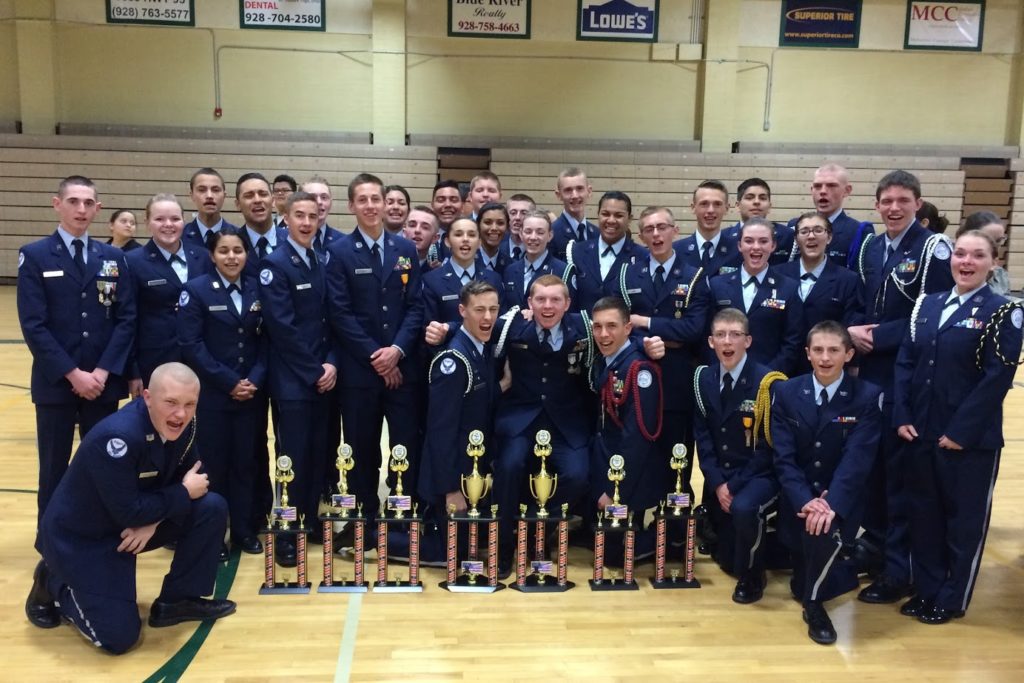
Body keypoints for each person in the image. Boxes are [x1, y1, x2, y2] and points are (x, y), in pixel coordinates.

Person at [26, 363, 236, 654]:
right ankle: (54, 582)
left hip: (133, 523)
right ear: (147, 397)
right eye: (171, 402)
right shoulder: (118, 438)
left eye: (190, 404)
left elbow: (194, 477)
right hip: (84, 540)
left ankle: (177, 600)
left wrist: (154, 519)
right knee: (119, 639)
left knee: (210, 506)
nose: (181, 414)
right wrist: (178, 495)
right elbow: (143, 506)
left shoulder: (186, 425)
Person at [894, 230, 1022, 625]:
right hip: (922, 431)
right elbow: (906, 365)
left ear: (994, 263)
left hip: (969, 441)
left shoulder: (1003, 311)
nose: (966, 262)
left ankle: (952, 598)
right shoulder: (928, 305)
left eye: (978, 256)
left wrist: (960, 432)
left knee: (962, 523)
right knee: (925, 517)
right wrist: (902, 416)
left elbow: (996, 378)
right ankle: (929, 589)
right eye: (961, 253)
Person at [849, 169, 954, 605]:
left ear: (917, 203)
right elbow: (860, 300)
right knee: (871, 471)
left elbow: (934, 313)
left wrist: (880, 336)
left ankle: (899, 572)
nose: (893, 208)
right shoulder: (872, 247)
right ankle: (875, 551)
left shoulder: (932, 249)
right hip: (869, 375)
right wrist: (852, 331)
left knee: (898, 477)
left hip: (906, 377)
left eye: (902, 201)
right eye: (886, 201)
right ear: (876, 205)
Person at [17, 175, 136, 529]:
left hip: (102, 384)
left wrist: (101, 373)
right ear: (58, 204)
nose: (81, 210)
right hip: (57, 384)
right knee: (53, 466)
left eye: (88, 203)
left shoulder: (112, 257)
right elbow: (34, 325)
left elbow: (126, 319)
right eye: (74, 201)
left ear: (98, 209)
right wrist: (73, 374)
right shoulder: (35, 255)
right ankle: (51, 540)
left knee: (104, 462)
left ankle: (98, 532)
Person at [771, 321, 882, 644]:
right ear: (807, 353)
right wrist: (806, 499)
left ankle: (815, 606)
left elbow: (857, 462)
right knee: (800, 572)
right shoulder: (787, 392)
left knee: (812, 565)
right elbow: (784, 458)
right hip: (799, 499)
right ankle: (839, 570)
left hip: (840, 501)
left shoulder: (866, 396)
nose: (825, 357)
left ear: (849, 354)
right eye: (818, 349)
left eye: (834, 350)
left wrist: (830, 505)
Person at [326, 173, 423, 541]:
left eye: (375, 199)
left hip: (402, 369)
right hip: (359, 374)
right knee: (360, 449)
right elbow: (339, 312)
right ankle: (361, 520)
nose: (370, 206)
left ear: (385, 203)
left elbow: (415, 306)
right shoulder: (338, 252)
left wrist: (396, 351)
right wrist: (376, 357)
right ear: (351, 206)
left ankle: (400, 521)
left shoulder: (405, 249)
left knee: (403, 447)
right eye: (361, 200)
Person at [491, 275, 595, 574]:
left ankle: (540, 529)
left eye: (555, 300)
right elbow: (475, 328)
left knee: (577, 476)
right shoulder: (511, 326)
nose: (547, 306)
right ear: (529, 303)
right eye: (540, 300)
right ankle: (506, 546)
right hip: (521, 419)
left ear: (568, 304)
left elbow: (618, 335)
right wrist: (443, 329)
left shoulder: (584, 328)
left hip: (566, 422)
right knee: (509, 468)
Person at [178, 229, 266, 558]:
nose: (232, 257)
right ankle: (214, 536)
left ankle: (243, 530)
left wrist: (254, 378)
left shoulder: (258, 288)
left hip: (250, 395)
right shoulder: (196, 290)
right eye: (224, 251)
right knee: (213, 467)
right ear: (212, 255)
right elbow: (192, 345)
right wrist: (229, 382)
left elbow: (266, 341)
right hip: (214, 395)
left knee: (246, 464)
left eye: (238, 251)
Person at [258, 190, 337, 564]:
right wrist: (315, 370)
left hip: (322, 378)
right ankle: (287, 533)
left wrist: (331, 364)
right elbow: (282, 327)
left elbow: (330, 321)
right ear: (285, 218)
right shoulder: (275, 264)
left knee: (317, 457)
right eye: (299, 216)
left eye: (313, 216)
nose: (307, 222)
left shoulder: (319, 259)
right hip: (294, 381)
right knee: (291, 459)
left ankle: (309, 520)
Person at [618, 206, 710, 500]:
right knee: (642, 456)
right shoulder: (628, 274)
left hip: (677, 383)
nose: (656, 235)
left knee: (677, 458)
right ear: (641, 235)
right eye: (649, 229)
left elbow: (695, 329)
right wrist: (643, 343)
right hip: (638, 377)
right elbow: (619, 327)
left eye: (662, 227)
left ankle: (676, 528)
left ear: (675, 231)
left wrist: (645, 322)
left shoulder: (694, 275)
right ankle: (644, 523)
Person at [693, 308, 781, 604]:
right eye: (720, 335)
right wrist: (717, 483)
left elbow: (769, 448)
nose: (727, 342)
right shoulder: (703, 379)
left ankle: (754, 577)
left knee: (744, 510)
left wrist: (733, 486)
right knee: (727, 559)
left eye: (735, 335)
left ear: (748, 341)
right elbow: (703, 438)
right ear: (710, 341)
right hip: (722, 478)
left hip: (757, 475)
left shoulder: (767, 384)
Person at [417, 281, 501, 549]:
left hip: (473, 476)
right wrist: (451, 490)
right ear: (462, 311)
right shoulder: (453, 360)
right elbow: (440, 432)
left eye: (493, 309)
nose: (487, 317)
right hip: (453, 482)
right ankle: (373, 537)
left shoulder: (481, 348)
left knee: (484, 546)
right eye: (479, 310)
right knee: (456, 555)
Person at [589, 296, 663, 560]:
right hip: (606, 463)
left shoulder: (639, 370)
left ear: (628, 328)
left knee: (614, 558)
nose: (603, 334)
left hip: (630, 478)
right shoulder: (609, 361)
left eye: (611, 326)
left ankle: (657, 541)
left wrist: (614, 492)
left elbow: (638, 438)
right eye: (597, 327)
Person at [126, 194, 210, 391]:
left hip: (201, 358)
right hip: (155, 360)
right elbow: (128, 319)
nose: (168, 224)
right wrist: (133, 370)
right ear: (147, 223)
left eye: (175, 218)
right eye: (159, 219)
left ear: (184, 221)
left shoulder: (203, 256)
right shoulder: (132, 261)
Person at [707, 217, 804, 375]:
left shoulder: (789, 287)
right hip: (724, 375)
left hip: (770, 379)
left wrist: (767, 376)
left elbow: (792, 342)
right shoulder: (718, 285)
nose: (756, 247)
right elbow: (707, 336)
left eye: (763, 241)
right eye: (749, 241)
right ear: (739, 245)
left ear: (773, 246)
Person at [776, 212, 862, 374]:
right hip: (780, 369)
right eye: (804, 231)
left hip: (826, 369)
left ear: (829, 237)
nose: (811, 236)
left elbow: (849, 329)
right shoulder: (778, 275)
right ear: (796, 239)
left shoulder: (848, 280)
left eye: (818, 230)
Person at [566, 191, 649, 314]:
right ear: (598, 215)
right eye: (605, 214)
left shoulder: (643, 257)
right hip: (581, 331)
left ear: (629, 219)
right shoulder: (576, 252)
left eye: (618, 215)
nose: (611, 220)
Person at [788, 163, 874, 269]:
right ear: (811, 190)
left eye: (831, 186)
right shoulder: (794, 226)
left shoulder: (858, 232)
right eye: (817, 186)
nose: (823, 191)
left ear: (847, 190)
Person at [422, 217, 505, 326]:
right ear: (447, 242)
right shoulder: (431, 280)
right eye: (458, 234)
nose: (465, 239)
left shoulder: (494, 279)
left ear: (479, 242)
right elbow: (427, 326)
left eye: (471, 235)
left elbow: (502, 322)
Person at [501, 210, 572, 309]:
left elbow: (569, 310)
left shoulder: (563, 271)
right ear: (521, 234)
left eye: (540, 232)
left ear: (550, 236)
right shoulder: (510, 270)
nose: (533, 237)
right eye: (528, 231)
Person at [675, 180, 742, 278]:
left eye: (717, 204)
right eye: (704, 204)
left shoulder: (738, 251)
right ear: (693, 208)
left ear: (726, 208)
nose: (711, 210)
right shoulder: (676, 251)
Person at [724, 178, 795, 265]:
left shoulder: (788, 236)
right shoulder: (723, 238)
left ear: (769, 206)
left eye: (762, 198)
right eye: (749, 198)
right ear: (738, 206)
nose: (757, 202)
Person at [235, 172, 286, 278]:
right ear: (238, 204)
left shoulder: (293, 240)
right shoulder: (232, 245)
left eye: (263, 194)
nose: (257, 200)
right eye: (249, 196)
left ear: (273, 201)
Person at [182, 168, 237, 250]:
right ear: (192, 196)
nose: (209, 196)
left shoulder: (239, 236)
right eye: (202, 190)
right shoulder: (179, 236)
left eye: (215, 190)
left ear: (224, 196)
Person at [550, 167, 598, 260]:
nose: (575, 195)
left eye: (580, 188)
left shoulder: (597, 234)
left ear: (589, 191)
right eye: (568, 190)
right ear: (558, 195)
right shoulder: (551, 234)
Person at [959, 211, 1011, 296]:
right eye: (988, 240)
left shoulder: (1000, 274)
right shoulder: (959, 271)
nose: (995, 245)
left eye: (999, 240)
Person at [302, 175, 345, 255]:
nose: (319, 202)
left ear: (331, 203)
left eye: (324, 197)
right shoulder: (286, 240)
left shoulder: (343, 242)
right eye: (312, 197)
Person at [476, 201, 514, 274]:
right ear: (478, 225)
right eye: (487, 222)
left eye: (500, 223)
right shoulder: (467, 262)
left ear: (507, 227)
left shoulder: (511, 266)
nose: (494, 228)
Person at [404, 205, 442, 271]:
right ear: (404, 233)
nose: (417, 230)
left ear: (435, 238)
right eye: (412, 225)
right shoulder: (387, 265)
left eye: (425, 227)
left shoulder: (436, 274)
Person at [505, 193, 535, 262]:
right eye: (513, 213)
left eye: (524, 213)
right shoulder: (497, 247)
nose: (517, 217)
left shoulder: (539, 249)